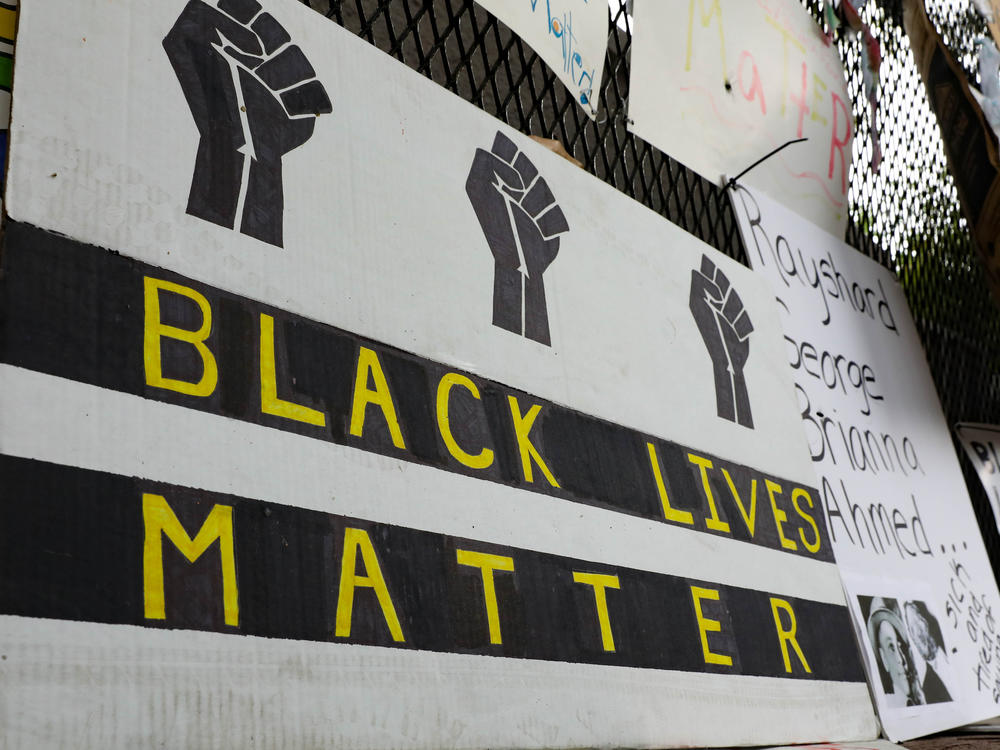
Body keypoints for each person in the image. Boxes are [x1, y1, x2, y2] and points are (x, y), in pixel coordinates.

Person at [866, 597, 924, 706]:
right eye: (891, 647)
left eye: (900, 646)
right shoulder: (886, 705)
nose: (901, 660)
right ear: (884, 660)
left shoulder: (922, 695)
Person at [905, 600, 952, 704]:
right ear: (912, 639)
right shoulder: (928, 689)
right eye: (912, 629)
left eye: (919, 621)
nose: (918, 632)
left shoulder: (952, 646)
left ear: (927, 621)